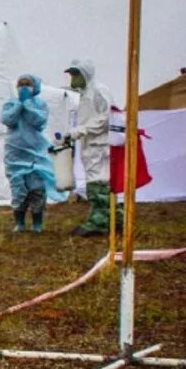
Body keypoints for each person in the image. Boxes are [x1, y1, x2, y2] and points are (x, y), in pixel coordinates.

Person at [64, 59, 120, 237]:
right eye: (71, 74)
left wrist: (82, 130)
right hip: (90, 143)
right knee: (98, 179)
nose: (73, 78)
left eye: (76, 73)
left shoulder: (98, 90)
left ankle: (99, 222)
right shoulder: (83, 94)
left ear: (85, 73)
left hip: (100, 143)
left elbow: (107, 116)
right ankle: (115, 218)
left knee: (99, 180)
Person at [0, 73, 54, 233]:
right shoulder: (10, 103)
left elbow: (39, 122)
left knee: (37, 188)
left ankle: (37, 222)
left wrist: (28, 105)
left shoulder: (40, 104)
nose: (23, 88)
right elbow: (7, 120)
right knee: (18, 188)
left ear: (34, 87)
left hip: (35, 153)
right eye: (20, 85)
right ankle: (20, 222)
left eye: (27, 85)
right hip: (15, 153)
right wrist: (19, 105)